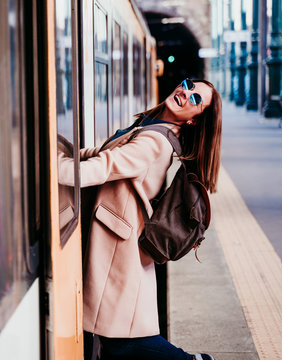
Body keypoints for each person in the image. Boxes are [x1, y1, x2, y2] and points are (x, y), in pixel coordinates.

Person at [58, 79, 222, 360]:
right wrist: (67, 153)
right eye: (189, 85)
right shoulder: (151, 126)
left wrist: (54, 168)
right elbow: (103, 154)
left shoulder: (155, 141)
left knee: (120, 341)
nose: (186, 93)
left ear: (195, 121)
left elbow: (104, 167)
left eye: (196, 99)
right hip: (114, 241)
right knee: (107, 335)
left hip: (115, 251)